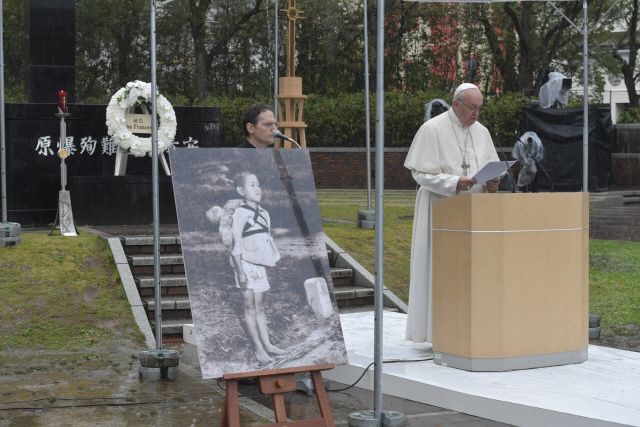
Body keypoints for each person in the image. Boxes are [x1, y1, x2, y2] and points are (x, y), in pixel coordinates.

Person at [404, 83, 501, 344]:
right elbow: (419, 173)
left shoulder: (482, 132)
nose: (476, 114)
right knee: (440, 270)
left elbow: (491, 167)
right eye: (472, 108)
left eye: (480, 109)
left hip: (474, 214)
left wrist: (492, 183)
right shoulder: (432, 128)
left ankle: (471, 329)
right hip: (440, 208)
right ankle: (437, 332)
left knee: (472, 272)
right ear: (456, 104)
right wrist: (452, 183)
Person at [229, 171, 286, 363]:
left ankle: (268, 344)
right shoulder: (240, 213)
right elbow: (235, 244)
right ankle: (258, 348)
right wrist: (240, 272)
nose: (257, 188)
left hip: (259, 267)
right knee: (249, 307)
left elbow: (266, 240)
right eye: (252, 185)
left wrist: (269, 260)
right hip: (245, 266)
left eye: (258, 184)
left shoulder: (264, 213)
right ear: (240, 190)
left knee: (260, 306)